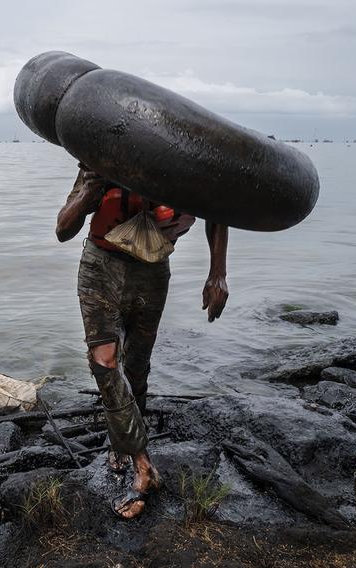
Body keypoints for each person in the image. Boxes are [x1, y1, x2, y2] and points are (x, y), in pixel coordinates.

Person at [55, 163, 229, 519]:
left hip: (152, 272)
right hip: (101, 266)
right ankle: (143, 464)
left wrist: (217, 274)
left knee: (136, 367)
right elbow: (62, 229)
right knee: (104, 363)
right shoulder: (99, 163)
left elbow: (217, 213)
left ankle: (121, 443)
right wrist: (91, 190)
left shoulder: (179, 168)